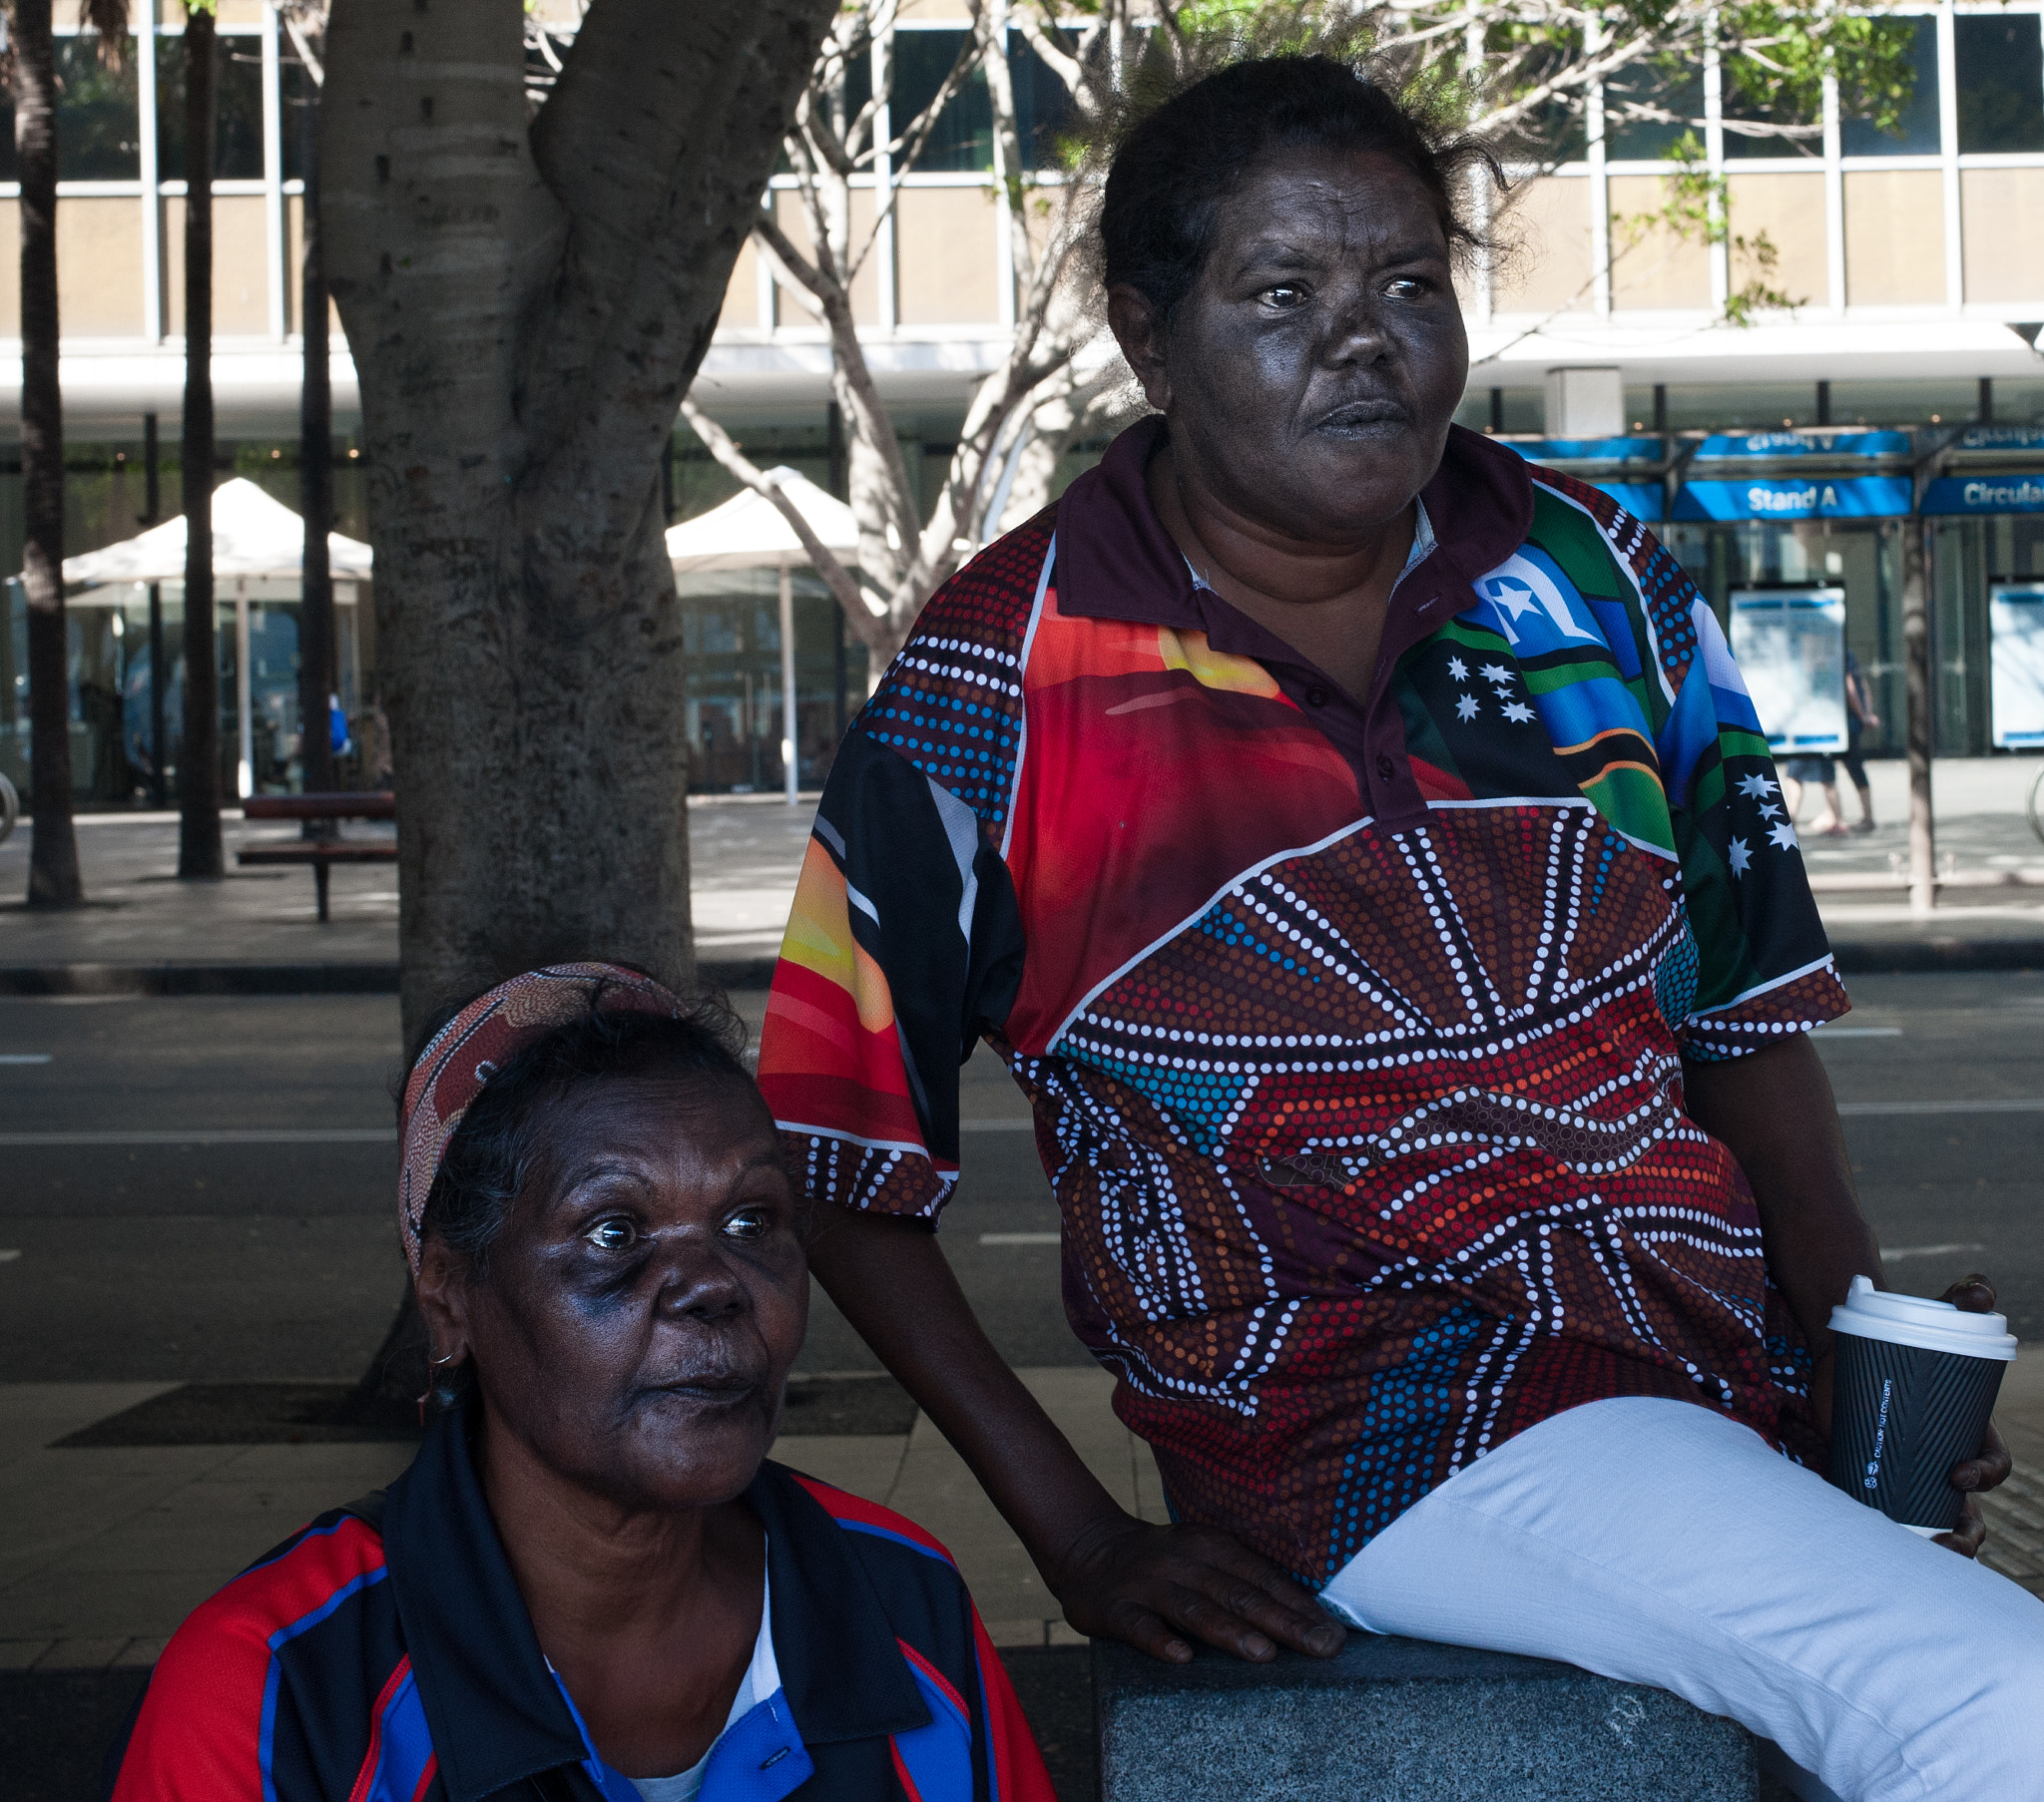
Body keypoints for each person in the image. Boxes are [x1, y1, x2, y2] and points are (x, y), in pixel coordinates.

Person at [756, 57, 2043, 1802]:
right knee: (1988, 1702)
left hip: (1696, 1379)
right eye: (1280, 295)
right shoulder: (1008, 668)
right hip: (1359, 1426)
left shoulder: (1594, 573)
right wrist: (1075, 1539)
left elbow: (1740, 1018)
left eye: (1406, 286)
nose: (1361, 341)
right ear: (1147, 334)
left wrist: (1845, 1344)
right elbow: (832, 1152)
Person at [108, 963, 1055, 1802]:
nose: (715, 1289)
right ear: (450, 1299)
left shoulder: (900, 1600)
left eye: (752, 1222)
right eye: (613, 1233)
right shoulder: (281, 1686)